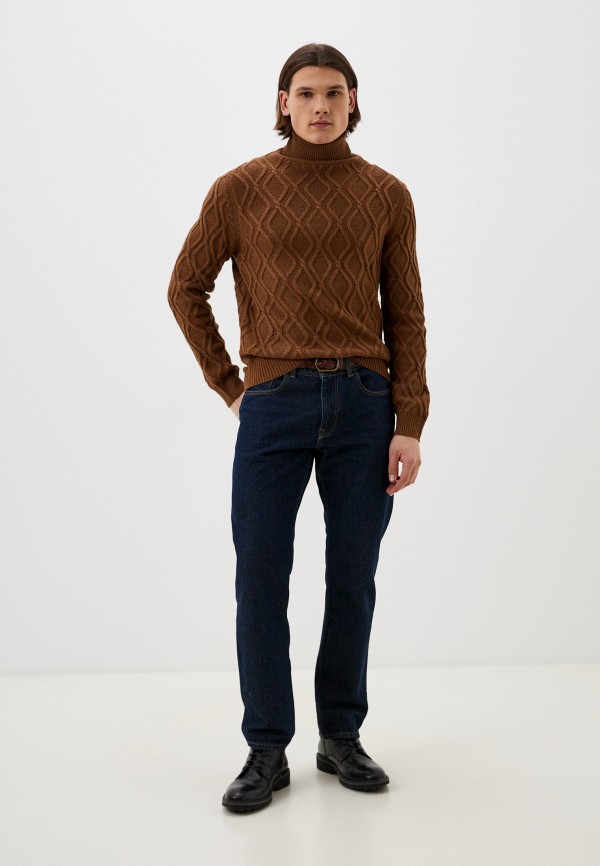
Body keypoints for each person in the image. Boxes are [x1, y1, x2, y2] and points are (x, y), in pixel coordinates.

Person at [167, 42, 430, 812]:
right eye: (306, 93)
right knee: (260, 576)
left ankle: (340, 736)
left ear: (353, 102)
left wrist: (409, 420)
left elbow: (407, 314)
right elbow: (185, 287)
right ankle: (266, 747)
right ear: (283, 103)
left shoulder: (387, 194)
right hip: (273, 404)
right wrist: (230, 385)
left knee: (352, 575)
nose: (321, 106)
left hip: (364, 405)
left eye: (334, 93)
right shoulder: (241, 189)